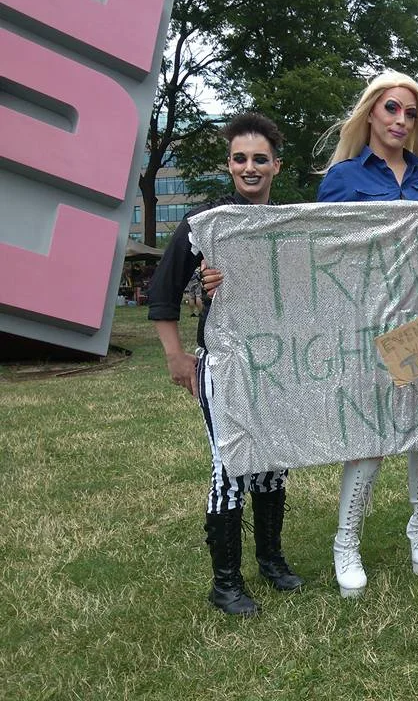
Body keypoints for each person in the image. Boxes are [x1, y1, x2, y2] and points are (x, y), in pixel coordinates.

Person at [315, 70, 418, 596]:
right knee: (369, 434)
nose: (401, 121)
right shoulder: (343, 177)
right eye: (392, 109)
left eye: (411, 113)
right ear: (371, 113)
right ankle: (346, 541)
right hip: (366, 325)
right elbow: (319, 251)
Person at [148, 112, 303, 617]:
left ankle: (271, 559)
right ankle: (226, 582)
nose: (249, 167)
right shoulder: (206, 222)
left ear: (276, 165)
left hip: (275, 363)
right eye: (240, 159)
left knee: (273, 462)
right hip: (225, 363)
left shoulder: (288, 224)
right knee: (231, 465)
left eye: (260, 159)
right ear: (229, 164)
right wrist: (175, 355)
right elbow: (164, 290)